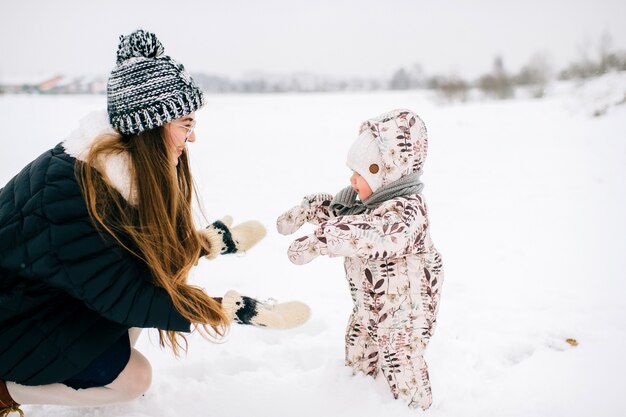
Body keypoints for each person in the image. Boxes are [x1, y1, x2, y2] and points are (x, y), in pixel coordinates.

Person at [0, 29, 309, 416]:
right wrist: (230, 310)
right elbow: (124, 295)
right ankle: (6, 391)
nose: (191, 137)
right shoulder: (73, 194)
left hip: (43, 302)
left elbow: (132, 259)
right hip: (13, 322)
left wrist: (208, 243)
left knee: (146, 293)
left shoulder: (111, 171)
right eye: (185, 123)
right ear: (153, 124)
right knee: (135, 379)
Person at [276, 109, 444, 410]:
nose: (352, 180)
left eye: (362, 173)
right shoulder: (368, 203)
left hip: (404, 315)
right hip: (370, 307)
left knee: (399, 360)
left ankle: (415, 408)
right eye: (352, 171)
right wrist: (310, 210)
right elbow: (344, 215)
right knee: (359, 343)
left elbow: (371, 232)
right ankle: (355, 397)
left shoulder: (407, 212)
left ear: (388, 172)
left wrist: (323, 239)